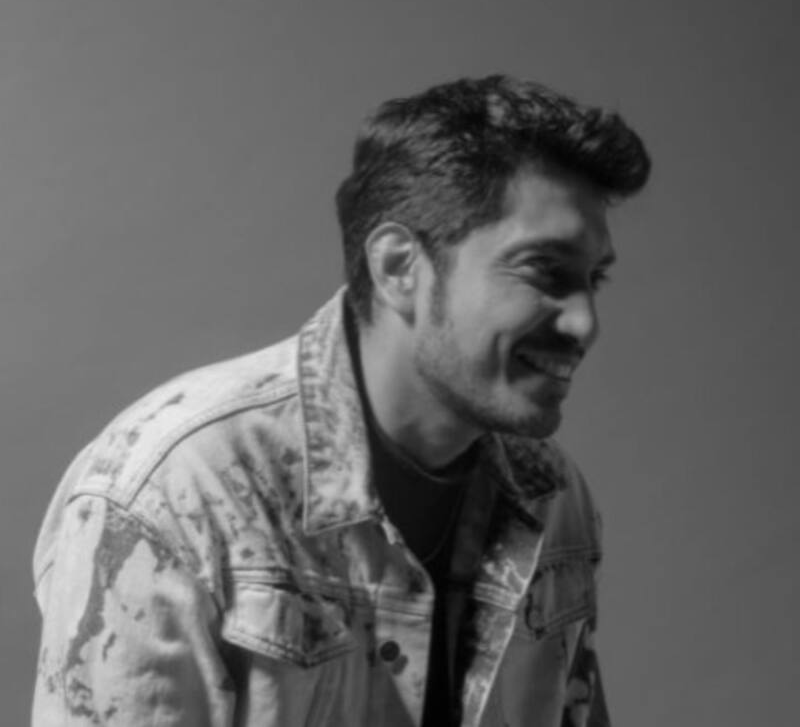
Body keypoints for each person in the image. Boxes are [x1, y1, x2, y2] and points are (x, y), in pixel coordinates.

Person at [31, 74, 650, 726]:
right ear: (398, 267)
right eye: (544, 270)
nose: (586, 323)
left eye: (594, 280)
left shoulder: (551, 494)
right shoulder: (175, 491)